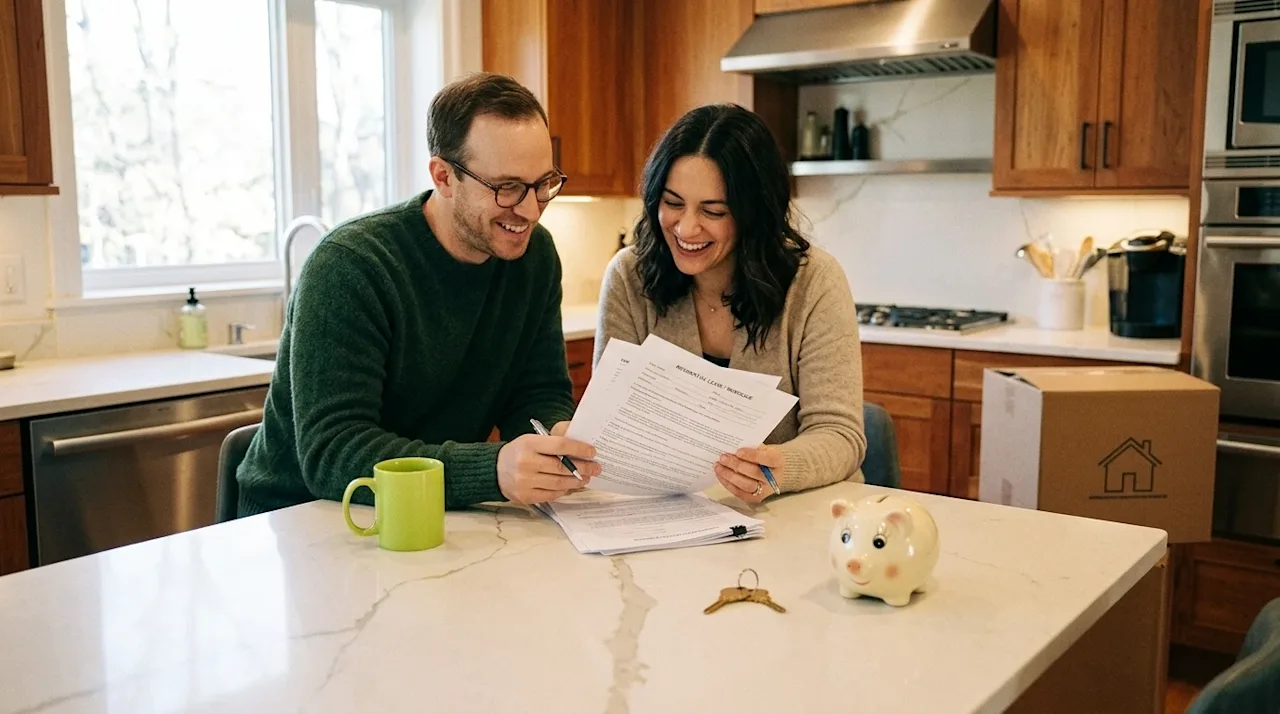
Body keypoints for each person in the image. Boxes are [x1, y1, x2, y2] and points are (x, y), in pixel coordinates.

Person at [236, 72, 601, 517]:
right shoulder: (349, 266)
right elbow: (332, 453)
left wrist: (554, 436)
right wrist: (493, 471)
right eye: (507, 188)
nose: (529, 209)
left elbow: (536, 390)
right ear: (443, 176)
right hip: (299, 520)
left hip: (425, 514)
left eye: (543, 183)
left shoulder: (535, 257)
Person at [595, 103, 866, 504]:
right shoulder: (628, 277)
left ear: (753, 214)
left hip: (796, 517)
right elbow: (611, 425)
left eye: (714, 211)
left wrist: (775, 468)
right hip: (670, 516)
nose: (686, 228)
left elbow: (840, 436)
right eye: (672, 203)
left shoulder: (813, 283)